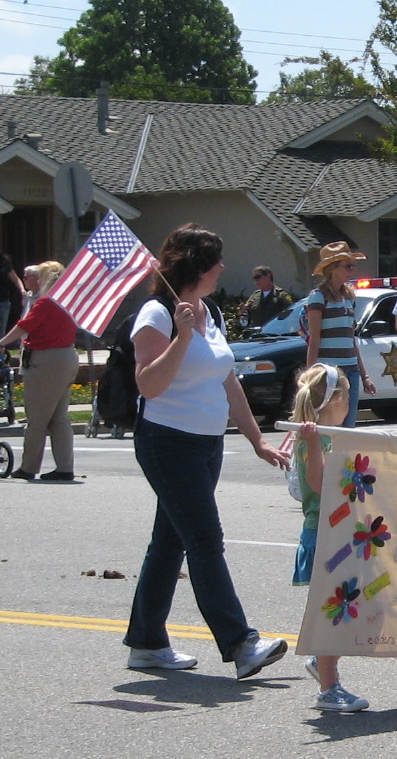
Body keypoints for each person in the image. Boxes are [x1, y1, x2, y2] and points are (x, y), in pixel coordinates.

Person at [124, 223, 292, 681]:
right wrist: (180, 337)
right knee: (204, 539)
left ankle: (146, 643)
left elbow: (228, 378)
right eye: (215, 258)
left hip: (206, 443)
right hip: (166, 441)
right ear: (194, 264)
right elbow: (149, 385)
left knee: (170, 542)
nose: (222, 266)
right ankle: (241, 643)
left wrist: (256, 439)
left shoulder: (211, 312)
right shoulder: (157, 316)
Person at [288, 363, 370, 712]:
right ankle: (328, 686)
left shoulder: (331, 437)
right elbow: (318, 486)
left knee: (344, 605)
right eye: (347, 396)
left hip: (339, 533)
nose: (349, 403)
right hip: (324, 534)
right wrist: (312, 442)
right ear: (335, 399)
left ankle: (324, 666)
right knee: (333, 608)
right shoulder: (315, 439)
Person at [0, 259, 82, 482]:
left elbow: (25, 326)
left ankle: (28, 466)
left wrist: (1, 342)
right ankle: (65, 467)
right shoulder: (68, 301)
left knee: (37, 417)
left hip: (46, 359)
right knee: (59, 417)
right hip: (67, 356)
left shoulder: (45, 302)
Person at [301, 241, 375, 426]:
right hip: (329, 372)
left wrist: (364, 375)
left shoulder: (349, 298)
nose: (352, 270)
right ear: (333, 269)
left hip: (351, 369)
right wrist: (311, 375)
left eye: (352, 266)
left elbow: (352, 339)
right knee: (329, 424)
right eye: (347, 266)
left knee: (349, 425)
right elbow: (315, 339)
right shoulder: (318, 297)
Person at [244, 265, 294, 331]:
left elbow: (291, 316)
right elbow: (247, 318)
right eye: (254, 278)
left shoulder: (281, 295)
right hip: (258, 335)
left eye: (258, 277)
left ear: (268, 276)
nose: (255, 280)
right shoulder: (255, 296)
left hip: (276, 336)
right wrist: (243, 311)